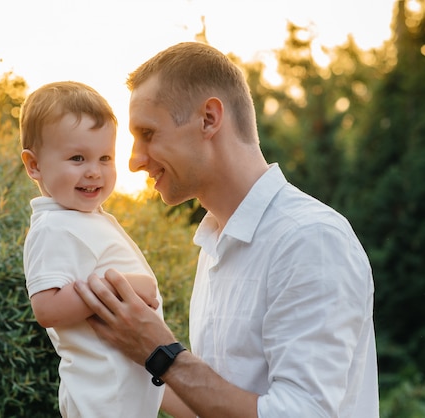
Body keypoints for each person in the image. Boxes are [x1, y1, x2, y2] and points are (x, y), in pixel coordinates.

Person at [74, 42, 379, 417]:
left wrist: (160, 352)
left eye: (148, 133)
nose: (134, 161)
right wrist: (121, 348)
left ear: (209, 119)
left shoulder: (310, 239)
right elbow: (212, 406)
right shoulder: (214, 245)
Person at [19, 81, 165, 417]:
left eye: (105, 158)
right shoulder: (53, 227)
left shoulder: (83, 219)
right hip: (100, 399)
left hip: (120, 394)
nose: (94, 172)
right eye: (77, 158)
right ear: (34, 165)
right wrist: (124, 286)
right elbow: (47, 309)